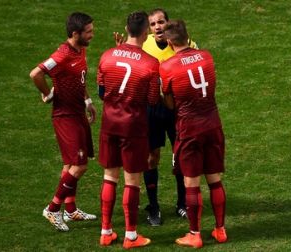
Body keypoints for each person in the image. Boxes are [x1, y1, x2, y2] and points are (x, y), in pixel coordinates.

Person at [114, 8, 198, 226]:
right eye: (153, 24)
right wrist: (120, 50)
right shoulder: (145, 44)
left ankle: (182, 204)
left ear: (169, 23)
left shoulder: (184, 44)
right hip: (152, 109)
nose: (158, 27)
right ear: (148, 29)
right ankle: (153, 207)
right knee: (152, 158)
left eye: (161, 22)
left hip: (177, 109)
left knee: (181, 156)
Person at [160, 20, 227, 248]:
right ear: (188, 37)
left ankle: (195, 234)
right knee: (215, 180)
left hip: (189, 129)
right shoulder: (206, 56)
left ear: (169, 42)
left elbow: (170, 105)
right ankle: (220, 230)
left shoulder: (167, 66)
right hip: (213, 123)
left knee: (191, 184)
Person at [29, 12, 97, 232]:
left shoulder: (81, 49)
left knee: (70, 165)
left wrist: (88, 100)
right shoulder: (62, 55)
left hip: (78, 113)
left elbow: (81, 78)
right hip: (65, 117)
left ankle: (71, 210)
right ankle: (52, 208)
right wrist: (48, 94)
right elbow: (35, 74)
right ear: (75, 33)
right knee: (79, 165)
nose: (92, 35)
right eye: (88, 32)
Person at [97, 11, 160, 249]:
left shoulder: (106, 56)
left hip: (109, 124)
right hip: (133, 127)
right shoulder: (151, 64)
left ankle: (105, 232)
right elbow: (153, 100)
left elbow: (102, 93)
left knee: (109, 176)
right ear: (146, 33)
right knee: (132, 181)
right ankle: (131, 236)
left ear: (126, 28)